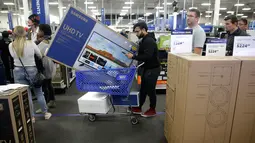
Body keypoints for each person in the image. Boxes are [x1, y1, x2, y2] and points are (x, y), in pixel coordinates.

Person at [9, 26, 52, 122]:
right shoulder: (31, 43)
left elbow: (12, 56)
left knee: (26, 95)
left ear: (14, 34)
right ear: (24, 33)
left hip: (18, 70)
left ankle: (31, 116)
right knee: (39, 92)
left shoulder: (11, 45)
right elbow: (39, 55)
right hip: (32, 70)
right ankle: (46, 113)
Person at [126, 22, 160, 117]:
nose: (136, 34)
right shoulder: (144, 40)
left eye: (137, 31)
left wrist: (133, 56)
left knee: (150, 90)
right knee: (143, 89)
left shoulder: (149, 41)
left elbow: (147, 56)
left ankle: (152, 109)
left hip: (152, 69)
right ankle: (138, 107)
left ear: (144, 30)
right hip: (147, 68)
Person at [37, 24, 57, 108]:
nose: (38, 32)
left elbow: (38, 54)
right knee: (49, 83)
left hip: (44, 64)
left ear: (42, 31)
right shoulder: (51, 40)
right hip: (50, 64)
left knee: (45, 85)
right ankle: (52, 101)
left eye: (39, 30)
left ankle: (46, 104)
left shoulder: (42, 43)